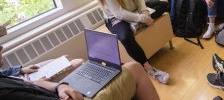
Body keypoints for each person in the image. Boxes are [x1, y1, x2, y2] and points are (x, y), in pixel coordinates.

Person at [95, 0, 169, 84]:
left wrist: (144, 11)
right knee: (125, 37)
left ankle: (136, 24)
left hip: (134, 11)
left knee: (164, 4)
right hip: (116, 18)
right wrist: (143, 18)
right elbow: (119, 13)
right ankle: (150, 69)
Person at [0, 45, 160, 100]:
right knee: (135, 68)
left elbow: (13, 78)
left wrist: (57, 87)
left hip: (47, 88)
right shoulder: (6, 92)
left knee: (74, 61)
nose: (1, 47)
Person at [0, 55, 84, 83]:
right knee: (79, 62)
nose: (1, 47)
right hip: (29, 83)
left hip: (20, 75)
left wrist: (20, 70)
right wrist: (35, 83)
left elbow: (2, 73)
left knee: (66, 57)